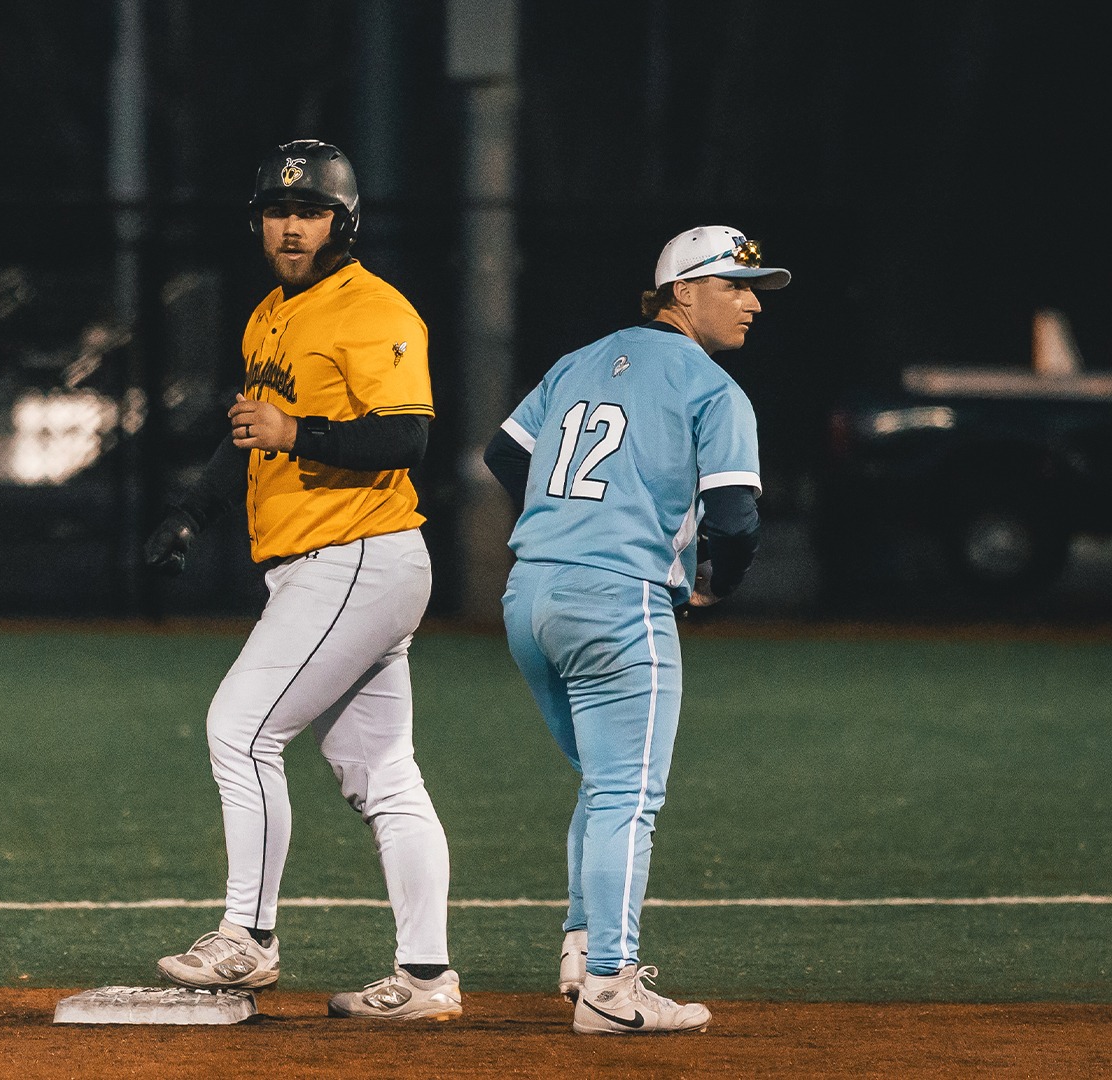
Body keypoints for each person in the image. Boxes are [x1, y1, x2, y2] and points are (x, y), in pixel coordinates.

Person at [141, 139, 459, 1022]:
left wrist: (298, 432)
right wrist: (192, 514)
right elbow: (249, 431)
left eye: (310, 211)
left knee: (239, 732)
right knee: (382, 774)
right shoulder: (269, 315)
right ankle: (428, 979)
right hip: (326, 565)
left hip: (358, 552)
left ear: (343, 222)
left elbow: (407, 439)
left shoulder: (373, 308)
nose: (291, 226)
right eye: (278, 212)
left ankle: (250, 938)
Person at [480, 225, 786, 1034]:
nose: (753, 303)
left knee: (602, 781)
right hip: (617, 604)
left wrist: (567, 521)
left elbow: (503, 454)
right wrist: (717, 584)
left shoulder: (579, 361)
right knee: (626, 794)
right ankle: (613, 988)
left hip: (531, 596)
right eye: (736, 285)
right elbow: (736, 516)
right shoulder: (713, 389)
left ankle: (582, 950)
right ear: (683, 291)